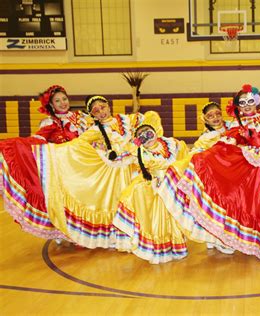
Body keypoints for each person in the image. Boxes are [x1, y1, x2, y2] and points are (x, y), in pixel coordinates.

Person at [169, 84, 260, 262]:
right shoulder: (240, 124)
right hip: (256, 168)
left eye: (250, 101)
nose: (247, 105)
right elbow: (229, 141)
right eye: (242, 103)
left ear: (256, 101)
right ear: (238, 106)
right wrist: (203, 157)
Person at [33, 95, 144, 248]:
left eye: (103, 107)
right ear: (93, 115)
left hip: (134, 166)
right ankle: (121, 236)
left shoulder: (125, 119)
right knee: (118, 201)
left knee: (139, 199)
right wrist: (51, 153)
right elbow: (77, 144)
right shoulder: (94, 129)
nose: (101, 112)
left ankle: (142, 234)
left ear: (108, 105)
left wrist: (137, 143)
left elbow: (146, 125)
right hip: (113, 171)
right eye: (96, 111)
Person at [0, 85, 91, 240]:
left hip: (79, 166)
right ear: (51, 105)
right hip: (60, 169)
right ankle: (63, 231)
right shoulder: (48, 123)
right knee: (61, 201)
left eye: (64, 99)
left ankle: (84, 231)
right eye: (57, 101)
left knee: (83, 200)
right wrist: (18, 146)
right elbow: (38, 142)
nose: (63, 103)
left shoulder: (81, 118)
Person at [113, 111, 190, 264]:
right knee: (158, 220)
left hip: (172, 186)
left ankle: (175, 246)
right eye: (141, 135)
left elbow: (185, 158)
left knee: (173, 217)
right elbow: (120, 157)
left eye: (148, 132)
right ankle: (159, 249)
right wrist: (133, 145)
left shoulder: (171, 143)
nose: (146, 136)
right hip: (154, 189)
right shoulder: (140, 152)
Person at [158, 101, 235, 254]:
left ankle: (220, 238)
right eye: (210, 116)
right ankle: (217, 239)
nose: (215, 118)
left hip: (232, 173)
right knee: (216, 206)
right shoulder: (205, 138)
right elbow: (196, 154)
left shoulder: (232, 128)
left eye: (218, 114)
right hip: (215, 176)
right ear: (205, 119)